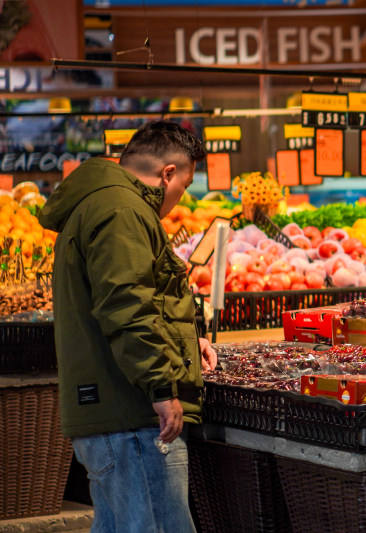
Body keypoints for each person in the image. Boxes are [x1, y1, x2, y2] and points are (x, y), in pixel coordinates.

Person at [39, 120, 217, 533]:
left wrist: (188, 342)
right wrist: (160, 387)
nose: (178, 199)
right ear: (168, 173)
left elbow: (132, 299)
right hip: (130, 413)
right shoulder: (122, 208)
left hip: (114, 411)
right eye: (184, 187)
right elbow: (127, 305)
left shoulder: (102, 202)